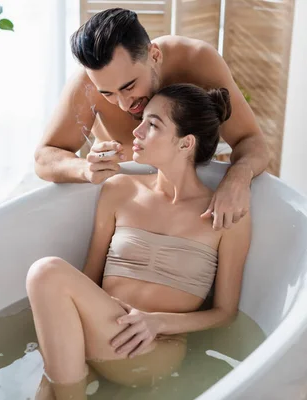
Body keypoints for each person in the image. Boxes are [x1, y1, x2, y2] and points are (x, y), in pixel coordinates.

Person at [27, 83, 252, 400]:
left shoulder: (225, 214)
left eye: (153, 125)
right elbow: (90, 279)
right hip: (99, 331)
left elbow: (225, 313)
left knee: (45, 272)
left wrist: (157, 322)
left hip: (152, 349)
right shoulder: (120, 189)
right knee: (50, 385)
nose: (137, 131)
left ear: (186, 143)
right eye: (141, 120)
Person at [34, 8, 269, 231]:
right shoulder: (88, 83)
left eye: (129, 86)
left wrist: (237, 178)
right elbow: (44, 157)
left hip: (189, 211)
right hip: (121, 211)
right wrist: (85, 168)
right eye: (108, 94)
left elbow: (251, 141)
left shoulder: (196, 61)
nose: (125, 104)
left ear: (154, 55)